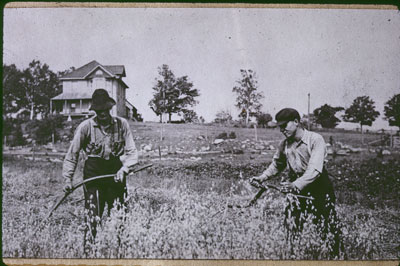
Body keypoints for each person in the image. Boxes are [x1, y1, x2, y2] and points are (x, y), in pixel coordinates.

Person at [250, 108, 342, 257]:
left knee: (327, 226)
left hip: (319, 185)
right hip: (296, 188)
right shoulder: (284, 144)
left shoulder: (315, 139)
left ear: (296, 122)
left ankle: (336, 257)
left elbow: (315, 170)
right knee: (292, 225)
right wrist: (262, 177)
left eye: (284, 125)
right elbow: (277, 165)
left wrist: (295, 185)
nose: (281, 129)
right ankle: (293, 256)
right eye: (279, 126)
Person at [62, 88, 138, 246]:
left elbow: (132, 153)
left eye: (105, 109)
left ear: (110, 108)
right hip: (93, 176)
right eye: (98, 110)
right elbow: (72, 154)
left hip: (115, 176)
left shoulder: (122, 125)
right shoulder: (85, 127)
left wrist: (124, 169)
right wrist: (67, 179)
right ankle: (89, 252)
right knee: (92, 217)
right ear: (94, 110)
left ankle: (118, 252)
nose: (102, 113)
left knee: (119, 217)